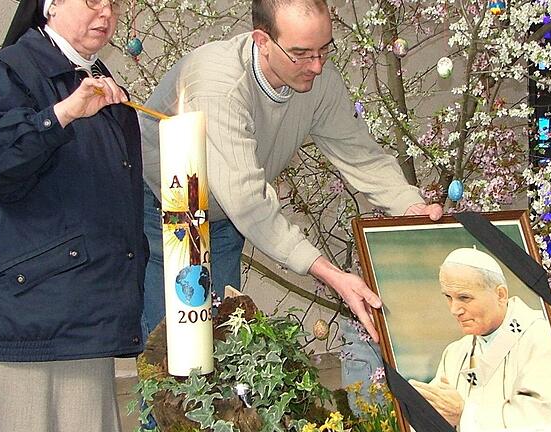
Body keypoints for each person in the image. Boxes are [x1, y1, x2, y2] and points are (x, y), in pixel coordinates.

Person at [138, 0, 442, 342]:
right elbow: (248, 201)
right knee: (175, 351)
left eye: (324, 50)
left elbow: (361, 156)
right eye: (301, 53)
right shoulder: (219, 85)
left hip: (224, 218)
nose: (315, 66)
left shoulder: (320, 81)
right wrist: (331, 274)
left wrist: (409, 206)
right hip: (164, 209)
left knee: (219, 344)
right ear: (262, 40)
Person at [0, 0, 146, 430]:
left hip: (84, 315)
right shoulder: (6, 72)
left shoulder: (100, 82)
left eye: (114, 3)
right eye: (92, 1)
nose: (106, 13)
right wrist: (59, 115)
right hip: (27, 321)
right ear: (50, 6)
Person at [409, 248, 551, 431]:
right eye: (448, 298)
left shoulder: (540, 338)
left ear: (500, 294)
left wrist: (464, 413)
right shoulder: (456, 353)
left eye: (464, 298)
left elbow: (545, 420)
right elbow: (435, 414)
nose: (454, 310)